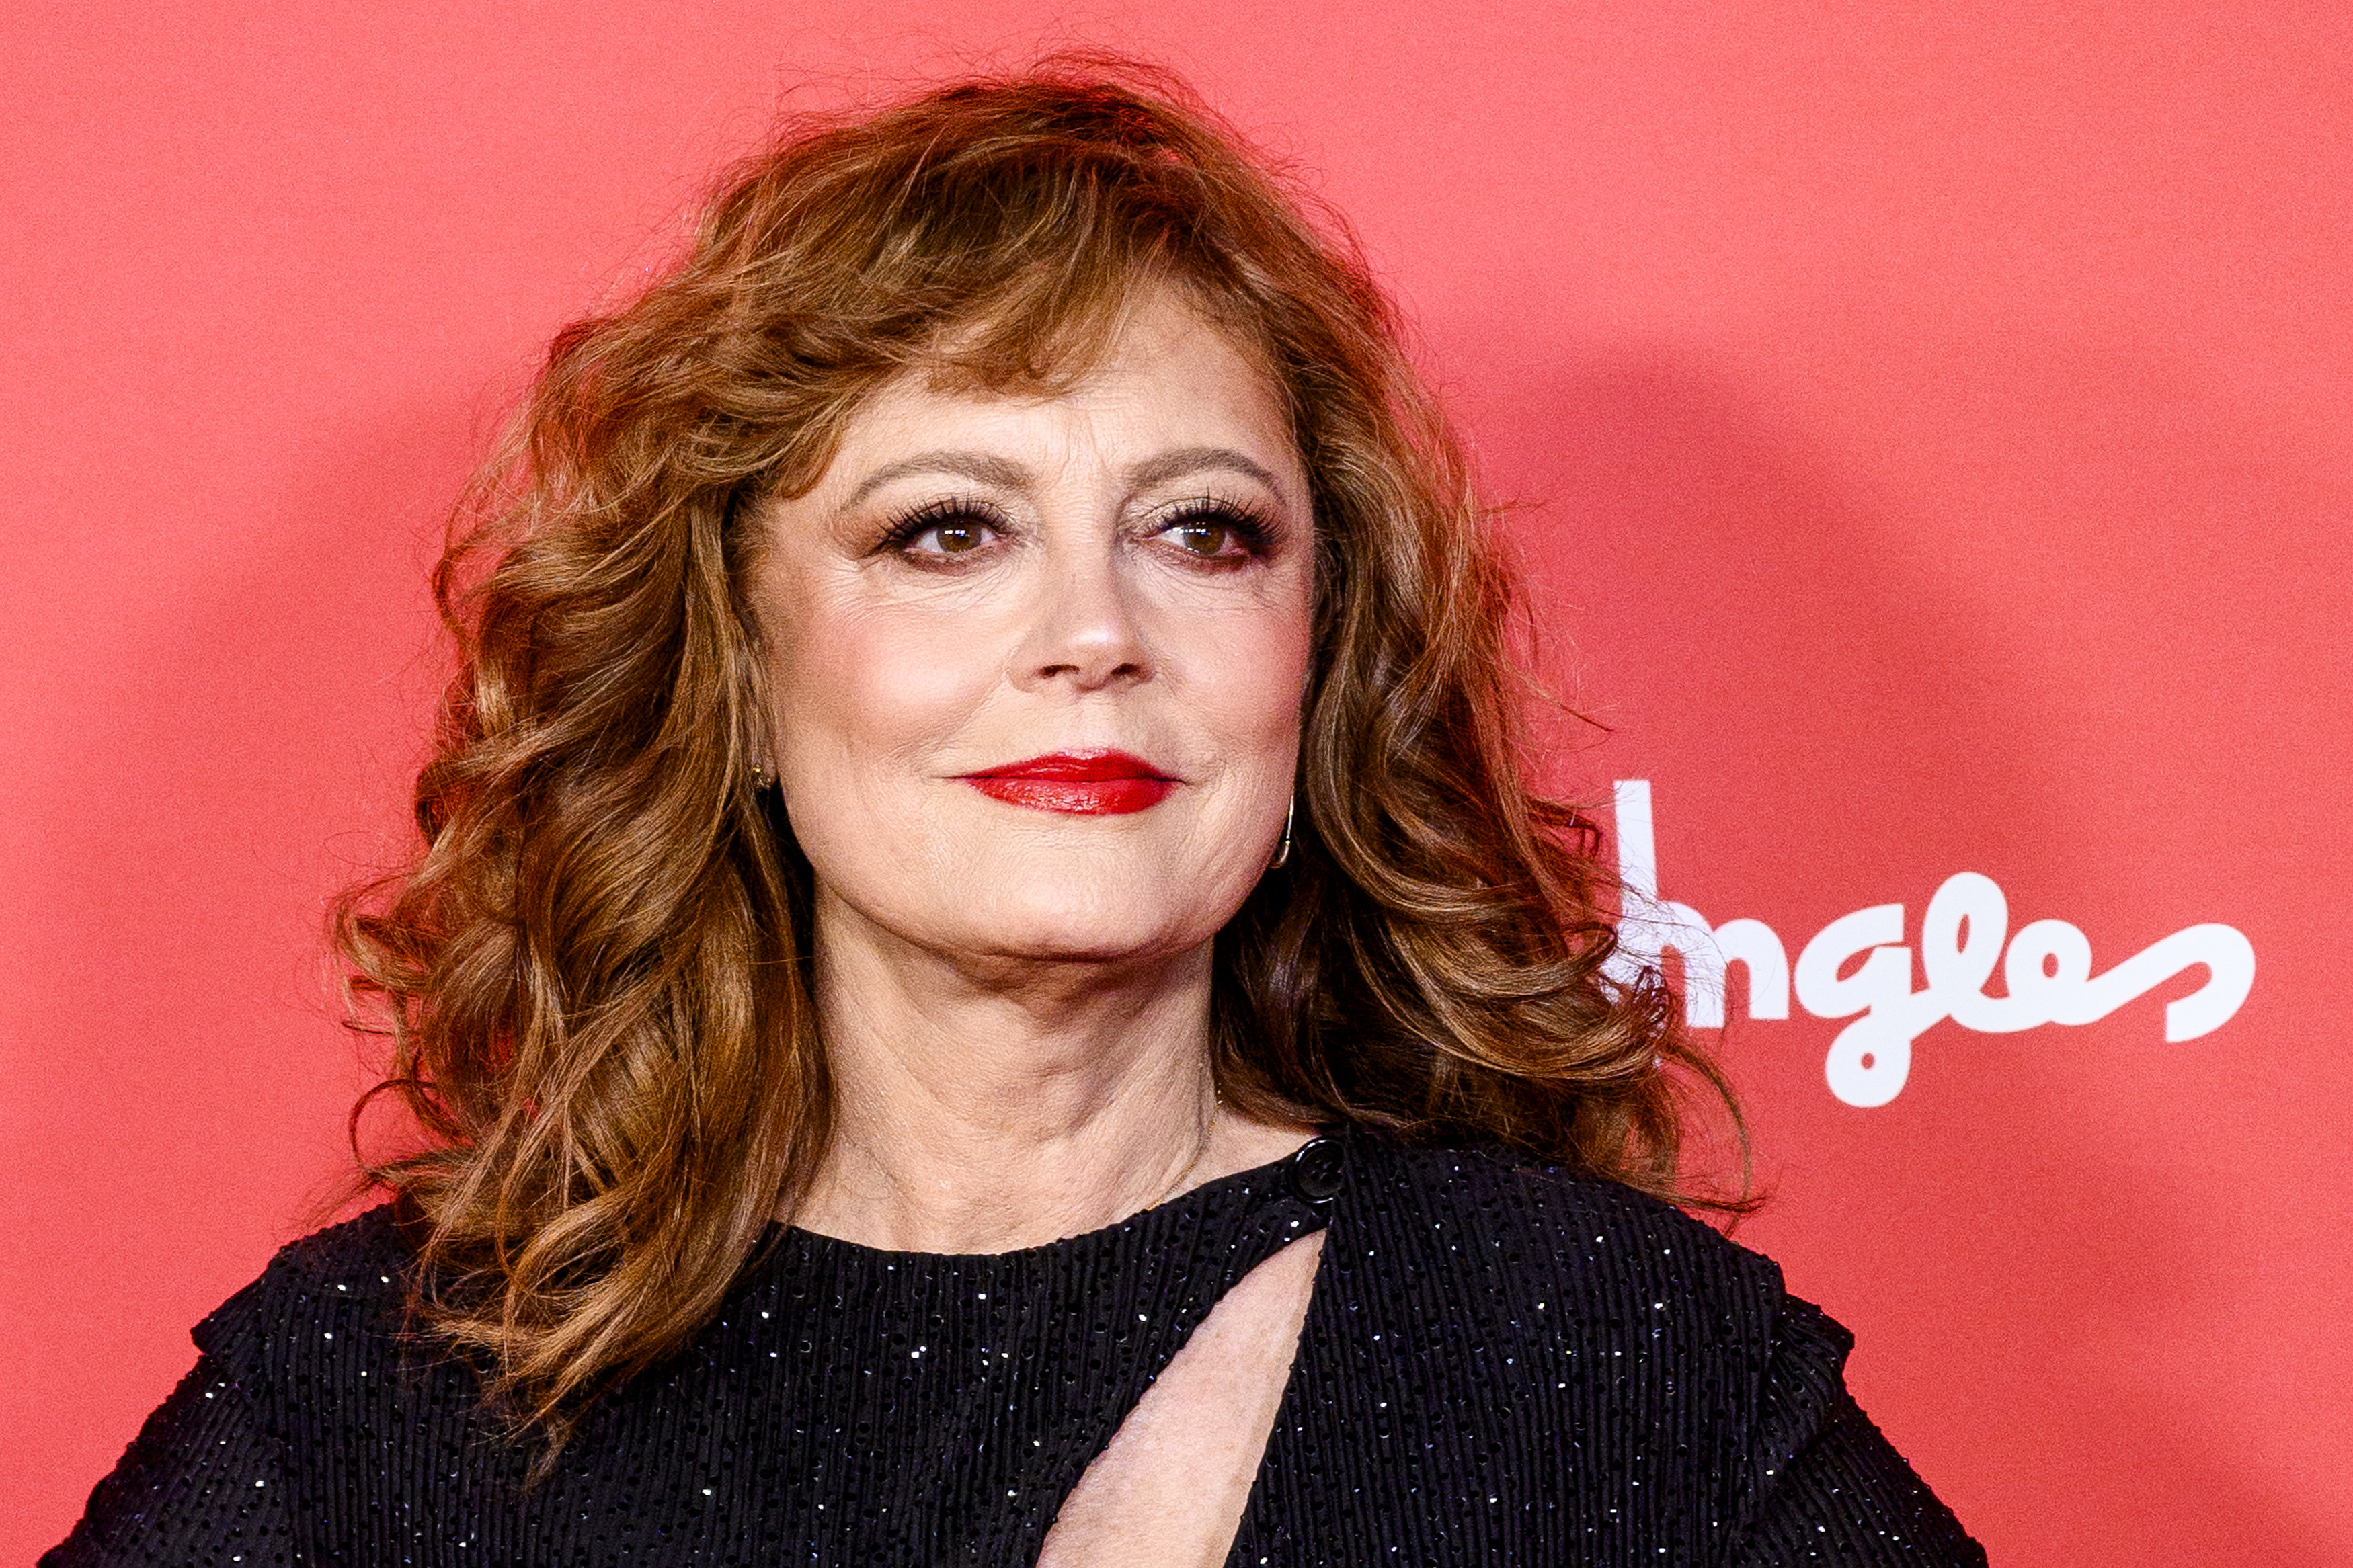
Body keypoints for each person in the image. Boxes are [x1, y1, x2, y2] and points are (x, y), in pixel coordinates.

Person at [45, 61, 1985, 1567]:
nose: (1091, 632)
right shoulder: (386, 1394)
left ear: (1312, 671)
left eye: (1201, 534)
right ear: (741, 671)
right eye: (948, 531)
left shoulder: (1618, 1369)